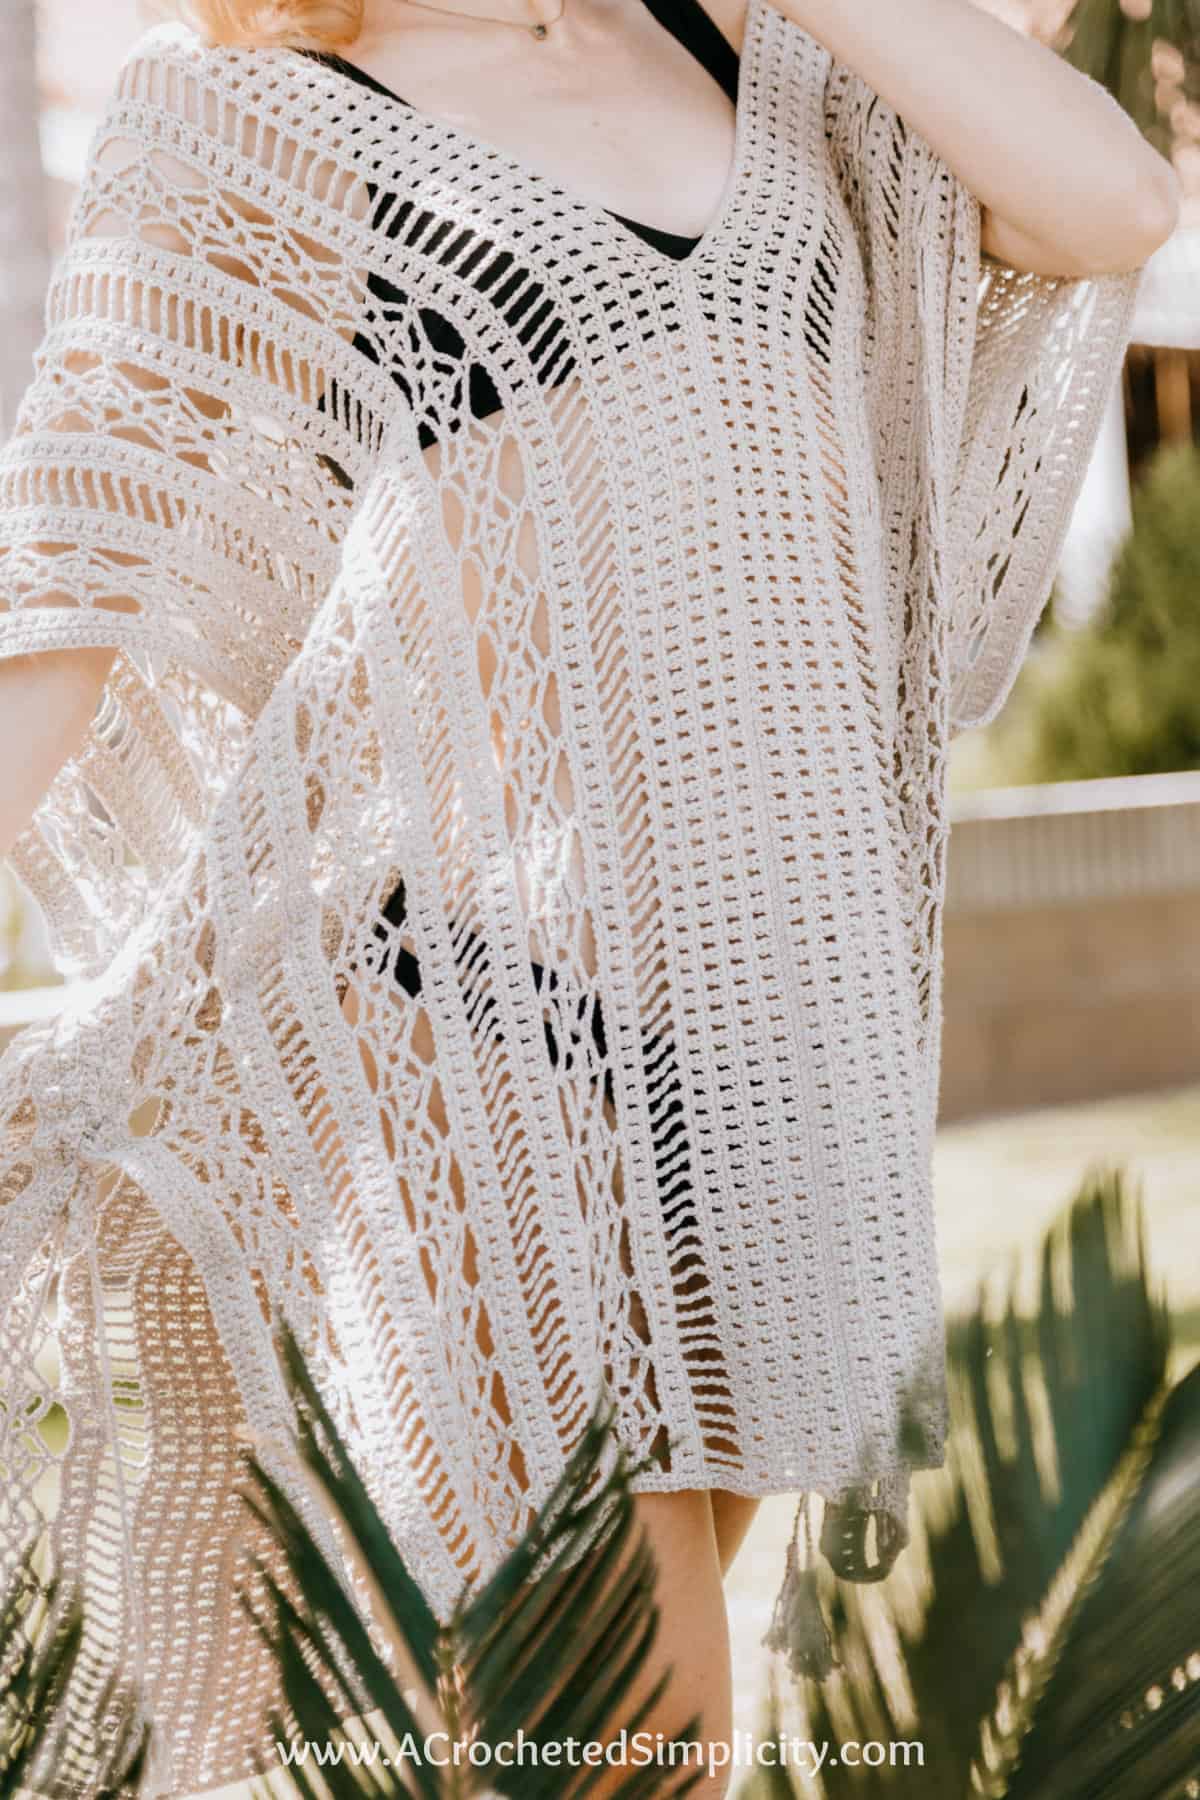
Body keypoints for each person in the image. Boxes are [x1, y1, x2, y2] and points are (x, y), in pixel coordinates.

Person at [0, 0, 1175, 1792]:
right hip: (454, 1016)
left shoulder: (767, 65)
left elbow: (1108, 202)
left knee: (558, 1737)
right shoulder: (251, 118)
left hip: (758, 1029)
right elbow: (64, 616)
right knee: (635, 1734)